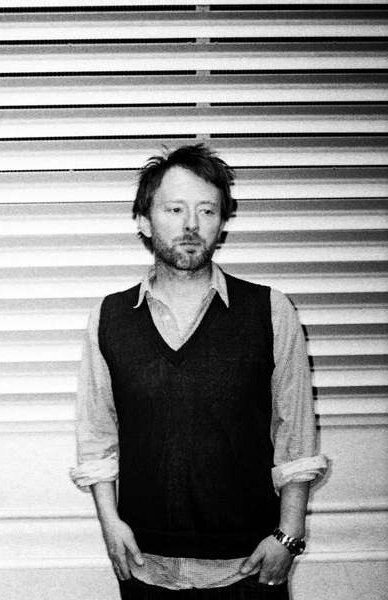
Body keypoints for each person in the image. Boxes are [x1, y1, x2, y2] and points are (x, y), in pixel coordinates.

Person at [70, 144, 327, 599]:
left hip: (247, 567)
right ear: (144, 221)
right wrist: (109, 524)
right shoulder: (109, 318)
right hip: (146, 567)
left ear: (221, 222)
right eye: (175, 209)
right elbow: (97, 436)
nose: (191, 224)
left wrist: (288, 535)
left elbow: (296, 437)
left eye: (207, 210)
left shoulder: (270, 311)